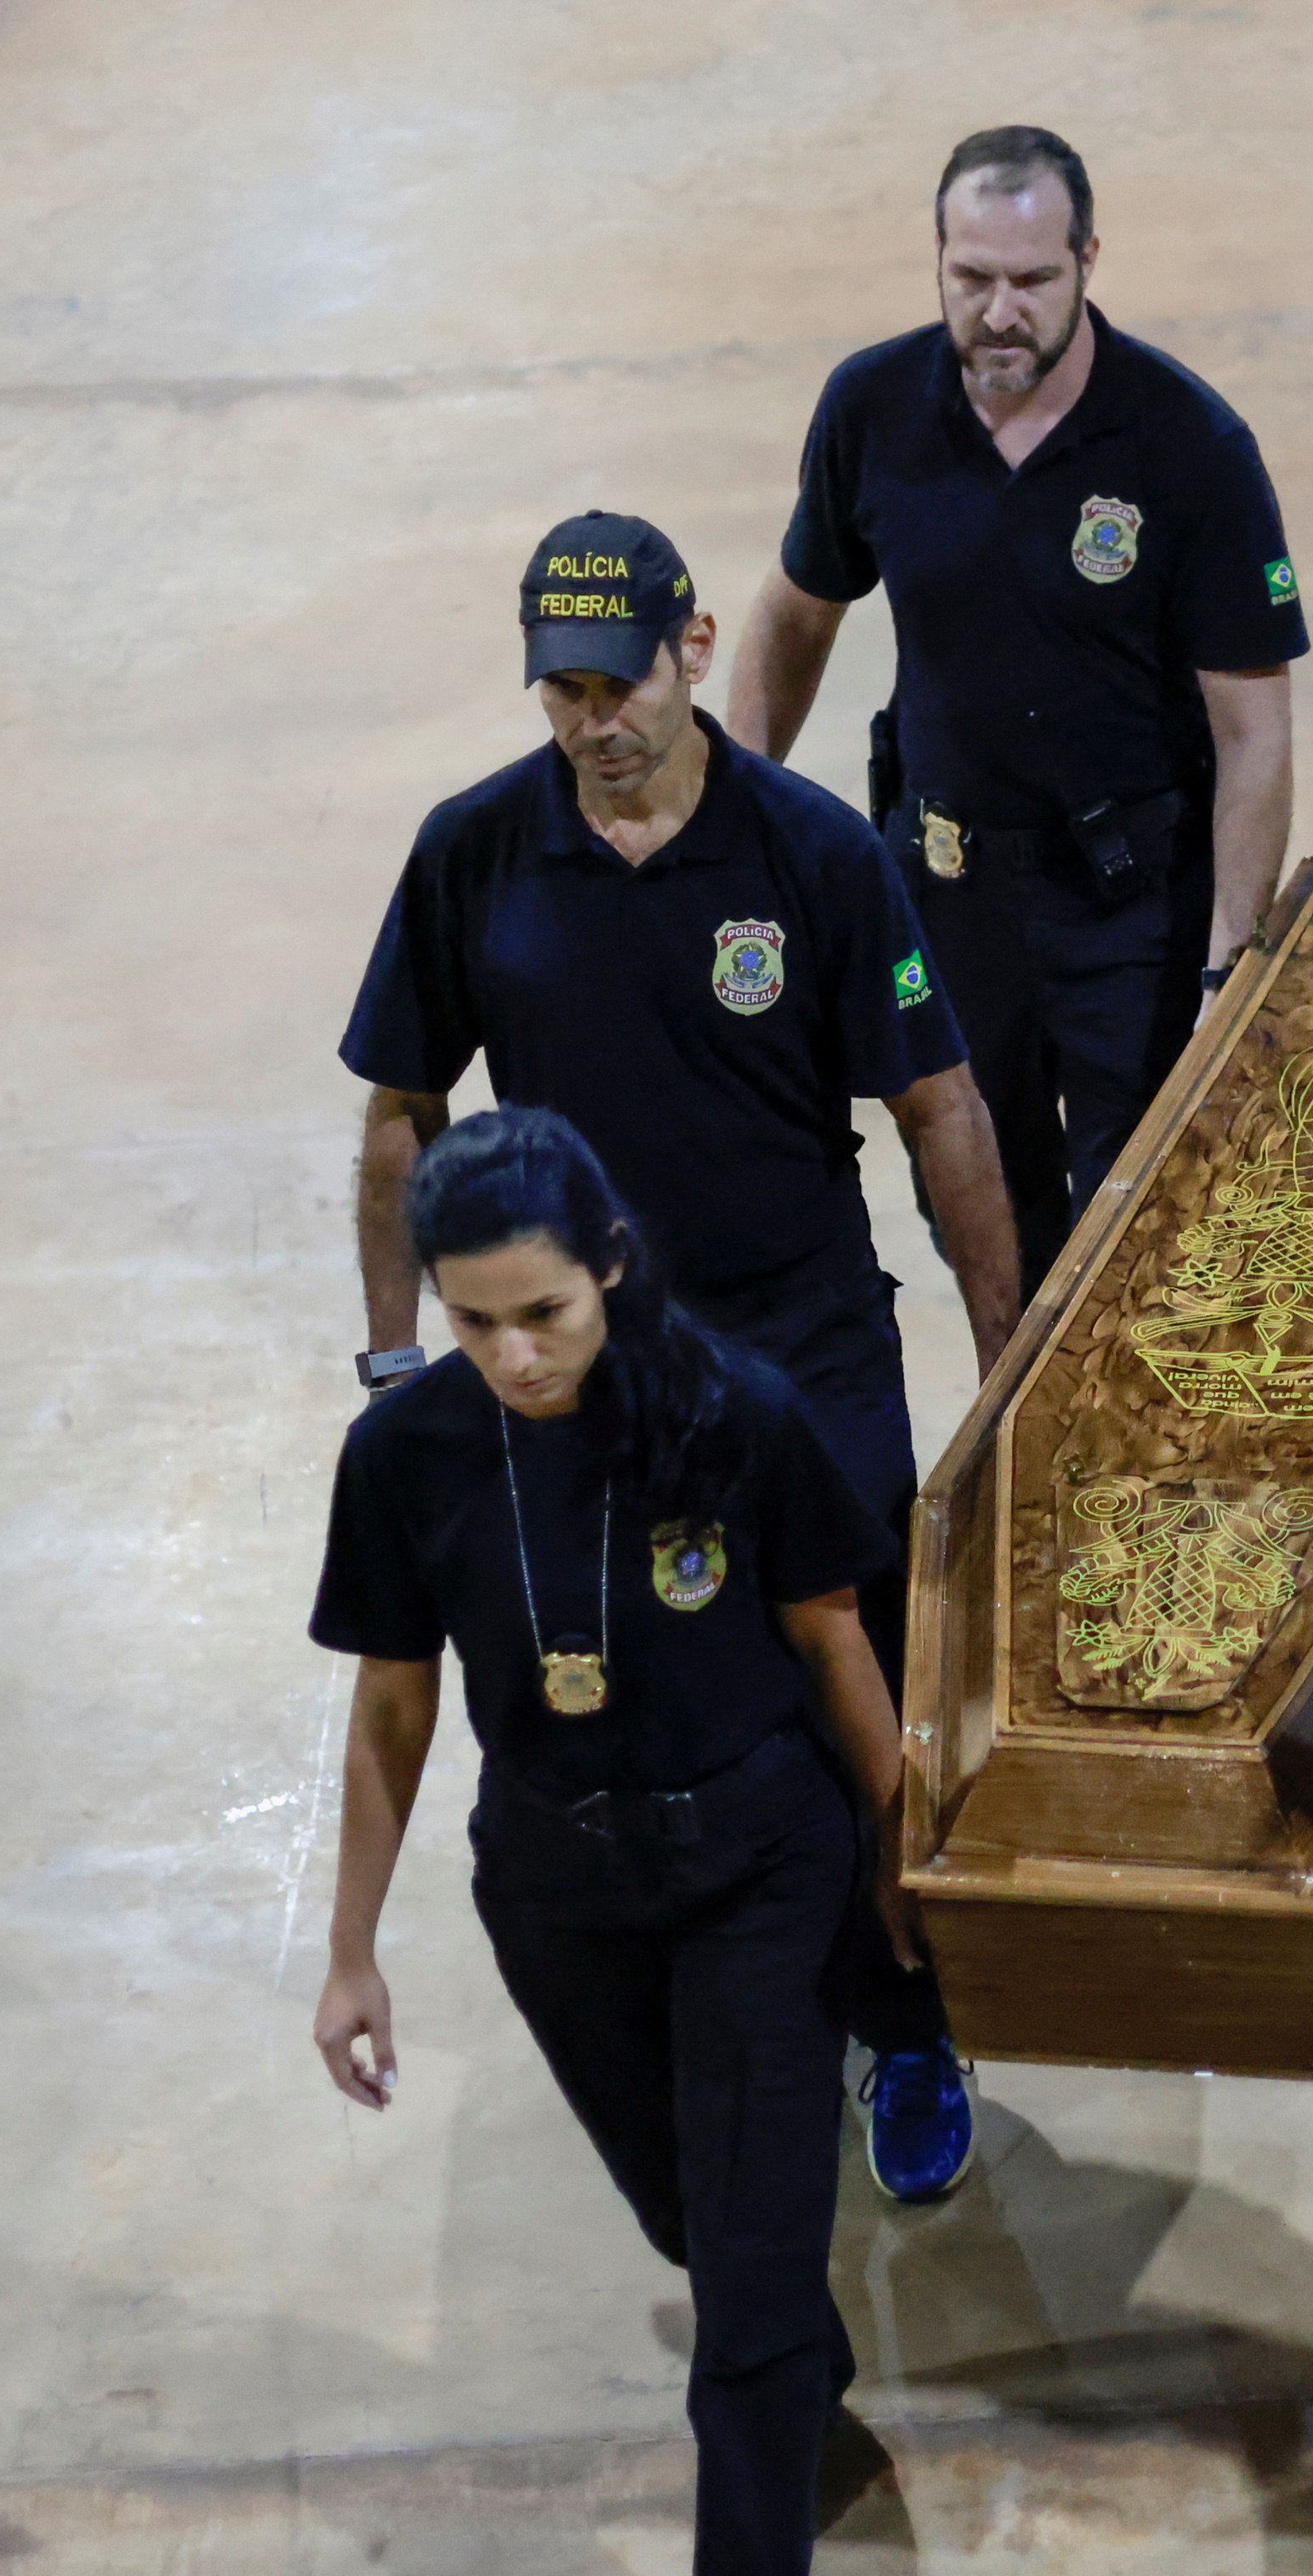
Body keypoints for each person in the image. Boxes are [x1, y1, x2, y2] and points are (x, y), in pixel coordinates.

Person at [341, 506, 1012, 2201]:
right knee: (646, 1698)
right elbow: (402, 1115)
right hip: (584, 1377)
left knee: (839, 1693)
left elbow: (937, 1111)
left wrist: (1011, 1360)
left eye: (616, 682)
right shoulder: (473, 854)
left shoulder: (808, 858)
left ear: (693, 648)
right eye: (559, 693)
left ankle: (909, 2014)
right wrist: (391, 1358)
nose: (592, 723)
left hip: (803, 1347)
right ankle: (719, 1991)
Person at [309, 1107, 918, 2576]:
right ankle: (792, 2346)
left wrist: (902, 1855)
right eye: (471, 1317)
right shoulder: (411, 1456)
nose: (508, 1354)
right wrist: (350, 1950)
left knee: (735, 2274)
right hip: (558, 1888)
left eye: (543, 1316)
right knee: (689, 2218)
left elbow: (828, 1637)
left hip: (753, 1869)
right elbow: (391, 1702)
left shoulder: (733, 1415)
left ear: (610, 1275)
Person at [728, 125, 1309, 1285]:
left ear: (1091, 258)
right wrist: (740, 822)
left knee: (1141, 1227)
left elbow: (1254, 730)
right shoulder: (872, 410)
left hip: (1129, 906)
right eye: (972, 279)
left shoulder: (1187, 445)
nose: (1002, 313)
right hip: (943, 896)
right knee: (976, 1206)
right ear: (936, 260)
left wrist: (1231, 965)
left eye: (1035, 281)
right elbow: (796, 614)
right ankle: (1011, 1441)